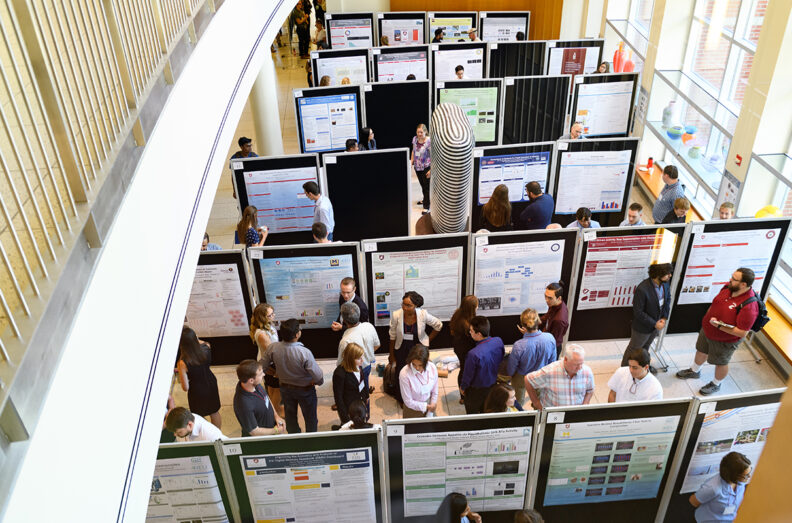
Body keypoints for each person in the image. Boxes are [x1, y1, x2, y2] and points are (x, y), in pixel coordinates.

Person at [676, 268, 759, 395]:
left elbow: (742, 332)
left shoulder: (749, 306)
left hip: (725, 340)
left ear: (744, 284)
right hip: (708, 329)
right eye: (732, 276)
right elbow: (715, 303)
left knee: (720, 362)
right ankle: (695, 370)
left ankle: (716, 383)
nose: (730, 280)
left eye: (734, 279)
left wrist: (719, 327)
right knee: (701, 350)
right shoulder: (728, 287)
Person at [261, 319, 324, 433]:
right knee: (310, 418)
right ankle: (311, 440)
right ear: (297, 334)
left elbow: (261, 367)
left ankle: (295, 438)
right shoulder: (304, 352)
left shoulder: (273, 348)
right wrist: (316, 382)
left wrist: (276, 374)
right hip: (305, 390)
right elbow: (319, 378)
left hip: (285, 388)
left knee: (290, 418)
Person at [388, 291, 443, 399]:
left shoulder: (423, 314)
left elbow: (438, 325)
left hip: (417, 348)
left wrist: (427, 339)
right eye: (403, 304)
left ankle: (417, 395)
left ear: (416, 305)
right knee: (401, 373)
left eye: (409, 305)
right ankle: (401, 398)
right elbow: (392, 335)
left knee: (418, 371)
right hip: (402, 347)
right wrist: (391, 354)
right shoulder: (396, 315)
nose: (405, 307)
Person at [621, 263, 672, 369]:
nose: (670, 275)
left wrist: (663, 318)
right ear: (658, 275)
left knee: (646, 347)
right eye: (667, 274)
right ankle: (625, 369)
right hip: (643, 327)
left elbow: (667, 300)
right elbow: (638, 312)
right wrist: (655, 324)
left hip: (657, 324)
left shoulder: (665, 284)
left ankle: (642, 367)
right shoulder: (642, 289)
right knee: (634, 349)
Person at [504, 308, 556, 404]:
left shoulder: (519, 345)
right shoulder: (550, 338)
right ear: (539, 321)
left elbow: (512, 367)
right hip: (541, 375)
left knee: (518, 400)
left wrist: (510, 375)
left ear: (523, 325)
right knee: (539, 401)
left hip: (521, 377)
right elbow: (552, 362)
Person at [176, 327, 222, 429]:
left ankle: (206, 435)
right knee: (214, 411)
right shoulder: (207, 346)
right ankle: (217, 435)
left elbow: (185, 387)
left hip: (197, 389)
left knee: (199, 416)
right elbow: (198, 342)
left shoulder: (182, 362)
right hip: (211, 382)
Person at [525, 344, 594, 409]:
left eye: (581, 363)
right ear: (566, 360)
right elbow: (528, 379)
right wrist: (537, 403)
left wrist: (585, 405)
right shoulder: (550, 371)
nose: (580, 368)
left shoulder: (587, 371)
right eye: (576, 364)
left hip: (574, 415)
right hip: (553, 416)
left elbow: (590, 391)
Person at [689, 452, 751, 522]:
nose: (749, 477)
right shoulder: (713, 488)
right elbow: (693, 501)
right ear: (734, 475)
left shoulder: (740, 482)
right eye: (746, 475)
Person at [461, 316, 505, 414]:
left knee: (472, 411)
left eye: (471, 331)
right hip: (493, 384)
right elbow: (501, 358)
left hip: (476, 390)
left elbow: (468, 375)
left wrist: (463, 387)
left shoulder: (473, 354)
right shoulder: (498, 341)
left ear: (479, 334)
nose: (469, 332)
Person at [233, 359, 286, 436]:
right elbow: (254, 431)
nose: (264, 374)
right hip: (261, 440)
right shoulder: (243, 404)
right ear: (251, 380)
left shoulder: (255, 384)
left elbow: (266, 398)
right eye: (260, 374)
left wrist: (276, 416)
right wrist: (276, 430)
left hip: (271, 428)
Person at [336, 301, 379, 393]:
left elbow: (340, 363)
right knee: (364, 386)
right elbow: (377, 345)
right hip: (368, 365)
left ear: (344, 320)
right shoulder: (369, 326)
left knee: (357, 394)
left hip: (354, 370)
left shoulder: (345, 340)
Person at [249, 303, 284, 417]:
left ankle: (275, 408)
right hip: (270, 363)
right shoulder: (262, 334)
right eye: (270, 315)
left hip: (269, 361)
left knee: (272, 388)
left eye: (273, 313)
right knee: (276, 388)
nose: (273, 316)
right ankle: (276, 412)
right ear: (263, 317)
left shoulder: (268, 326)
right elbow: (272, 352)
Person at [333, 343, 370, 427]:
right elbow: (338, 398)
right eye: (359, 358)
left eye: (362, 357)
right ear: (350, 359)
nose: (362, 360)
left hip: (360, 405)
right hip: (349, 409)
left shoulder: (358, 367)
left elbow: (363, 383)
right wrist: (345, 418)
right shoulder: (340, 374)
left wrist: (366, 396)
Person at [450, 295, 478, 402]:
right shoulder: (468, 324)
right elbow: (473, 340)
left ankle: (463, 397)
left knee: (463, 369)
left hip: (459, 347)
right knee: (465, 371)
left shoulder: (458, 314)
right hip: (466, 350)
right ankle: (464, 395)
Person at [399, 344, 439, 418]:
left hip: (429, 404)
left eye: (420, 365)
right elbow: (408, 401)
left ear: (426, 361)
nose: (417, 368)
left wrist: (432, 404)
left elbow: (435, 390)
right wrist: (426, 406)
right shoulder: (404, 374)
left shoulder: (432, 368)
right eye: (414, 364)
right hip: (412, 409)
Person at [540, 281, 569, 356]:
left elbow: (552, 342)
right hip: (547, 337)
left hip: (551, 348)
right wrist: (536, 321)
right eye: (545, 296)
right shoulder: (554, 303)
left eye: (549, 298)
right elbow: (548, 315)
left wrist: (535, 336)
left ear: (559, 298)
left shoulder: (559, 320)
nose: (546, 300)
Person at [411, 123, 432, 214]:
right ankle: (425, 200)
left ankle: (426, 206)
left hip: (426, 167)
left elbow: (433, 156)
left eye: (421, 132)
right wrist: (411, 162)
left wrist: (431, 170)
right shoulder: (415, 139)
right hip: (417, 167)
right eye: (418, 132)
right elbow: (413, 151)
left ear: (425, 132)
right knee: (423, 185)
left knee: (426, 187)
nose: (419, 134)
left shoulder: (428, 141)